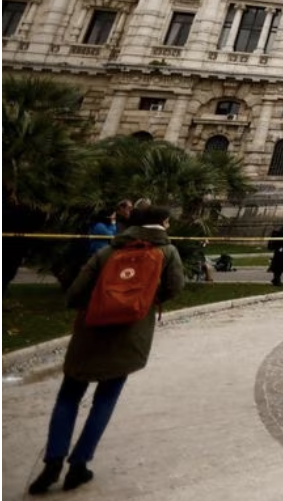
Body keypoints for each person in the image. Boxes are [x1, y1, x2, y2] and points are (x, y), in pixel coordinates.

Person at [30, 206, 183, 494]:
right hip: (130, 334)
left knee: (68, 396)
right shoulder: (168, 252)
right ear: (162, 224)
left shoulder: (107, 251)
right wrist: (142, 301)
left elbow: (75, 293)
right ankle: (79, 464)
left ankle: (52, 461)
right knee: (105, 399)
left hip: (92, 331)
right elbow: (175, 288)